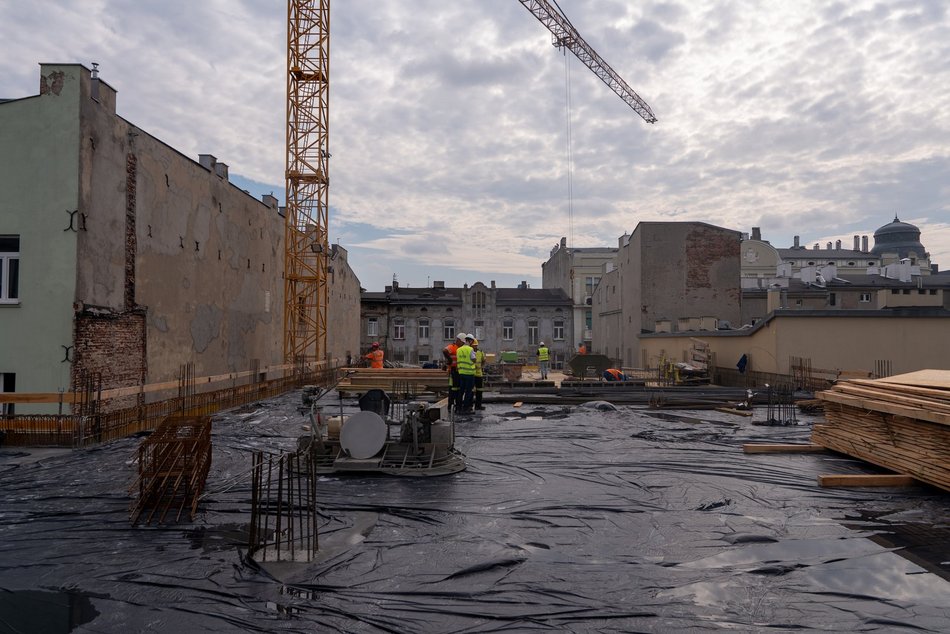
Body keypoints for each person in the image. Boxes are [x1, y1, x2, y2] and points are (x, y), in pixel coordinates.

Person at [443, 332, 466, 411]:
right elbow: (445, 350)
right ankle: (451, 405)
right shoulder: (453, 347)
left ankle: (457, 404)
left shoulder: (460, 349)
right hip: (453, 371)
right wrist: (449, 360)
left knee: (457, 389)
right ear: (458, 340)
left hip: (459, 371)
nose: (463, 344)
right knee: (452, 389)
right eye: (462, 342)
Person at [456, 334, 477, 413]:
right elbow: (474, 359)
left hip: (461, 373)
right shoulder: (470, 349)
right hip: (469, 373)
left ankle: (458, 407)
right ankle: (466, 408)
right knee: (468, 391)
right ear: (470, 341)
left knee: (461, 391)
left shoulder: (459, 349)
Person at [472, 339, 486, 410]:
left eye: (475, 345)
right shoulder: (470, 352)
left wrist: (481, 367)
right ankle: (470, 406)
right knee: (471, 391)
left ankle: (478, 405)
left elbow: (484, 360)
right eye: (473, 345)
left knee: (479, 391)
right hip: (471, 374)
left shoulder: (480, 352)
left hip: (479, 374)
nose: (474, 347)